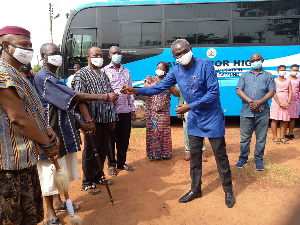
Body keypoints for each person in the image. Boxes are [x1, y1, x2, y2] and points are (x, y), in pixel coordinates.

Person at [121, 39, 235, 208]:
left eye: (184, 51)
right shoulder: (176, 71)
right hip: (195, 118)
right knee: (194, 156)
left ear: (190, 50)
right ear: (174, 57)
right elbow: (158, 88)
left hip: (212, 116)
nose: (182, 56)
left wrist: (189, 106)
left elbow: (213, 93)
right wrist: (136, 90)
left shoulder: (206, 65)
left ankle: (228, 190)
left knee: (220, 155)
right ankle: (196, 189)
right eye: (177, 54)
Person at [34, 43, 119, 222]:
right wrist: (102, 99)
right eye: (52, 53)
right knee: (50, 169)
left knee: (61, 168)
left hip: (63, 129)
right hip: (50, 129)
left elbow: (65, 104)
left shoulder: (54, 76)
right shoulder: (44, 77)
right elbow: (74, 97)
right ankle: (49, 212)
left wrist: (79, 121)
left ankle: (58, 202)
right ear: (43, 57)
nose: (57, 56)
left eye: (58, 52)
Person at [0, 26, 59, 225]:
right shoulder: (3, 74)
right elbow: (19, 119)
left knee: (29, 217)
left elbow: (33, 111)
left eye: (30, 45)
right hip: (9, 167)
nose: (28, 49)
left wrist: (48, 131)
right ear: (5, 45)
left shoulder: (19, 75)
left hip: (26, 161)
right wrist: (47, 144)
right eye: (23, 45)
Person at [71, 46, 118, 193]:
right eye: (95, 55)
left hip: (105, 119)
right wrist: (88, 120)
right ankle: (87, 181)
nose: (98, 57)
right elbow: (80, 98)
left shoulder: (103, 74)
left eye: (100, 55)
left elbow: (108, 95)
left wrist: (111, 118)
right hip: (92, 120)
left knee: (103, 150)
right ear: (88, 57)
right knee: (91, 151)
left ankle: (98, 176)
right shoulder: (81, 75)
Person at [235, 53, 275, 171]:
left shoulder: (268, 76)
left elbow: (272, 91)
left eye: (257, 60)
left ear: (262, 61)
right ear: (250, 62)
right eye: (253, 60)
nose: (255, 61)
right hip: (246, 112)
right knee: (245, 138)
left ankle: (258, 160)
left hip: (262, 112)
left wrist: (259, 102)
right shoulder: (244, 76)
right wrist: (251, 101)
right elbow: (238, 90)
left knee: (261, 138)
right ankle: (243, 159)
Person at [103, 46, 135, 176]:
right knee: (111, 140)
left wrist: (132, 109)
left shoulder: (126, 71)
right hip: (111, 112)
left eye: (119, 53)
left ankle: (121, 162)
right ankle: (111, 165)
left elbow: (130, 91)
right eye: (114, 53)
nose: (117, 55)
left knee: (124, 139)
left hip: (125, 110)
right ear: (109, 56)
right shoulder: (104, 71)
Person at [144, 61, 180, 161]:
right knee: (152, 131)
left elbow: (177, 94)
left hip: (164, 111)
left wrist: (169, 84)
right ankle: (153, 154)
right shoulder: (150, 79)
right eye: (158, 67)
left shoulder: (169, 81)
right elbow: (145, 89)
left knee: (163, 132)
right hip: (151, 111)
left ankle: (164, 154)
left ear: (166, 71)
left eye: (162, 69)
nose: (159, 70)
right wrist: (155, 85)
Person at [177, 92, 207, 162]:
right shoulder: (184, 82)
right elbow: (181, 96)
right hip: (186, 110)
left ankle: (201, 152)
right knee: (186, 130)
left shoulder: (200, 82)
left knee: (200, 130)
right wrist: (179, 111)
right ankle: (188, 151)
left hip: (199, 109)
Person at [270, 65, 292, 144]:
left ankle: (282, 137)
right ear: (278, 71)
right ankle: (275, 137)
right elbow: (273, 92)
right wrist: (279, 103)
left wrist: (288, 102)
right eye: (281, 70)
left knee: (284, 120)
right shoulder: (274, 80)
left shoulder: (288, 81)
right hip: (276, 102)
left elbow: (290, 92)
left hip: (285, 102)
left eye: (284, 70)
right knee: (275, 120)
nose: (283, 71)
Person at [285, 64, 300, 140]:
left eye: (296, 70)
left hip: (295, 101)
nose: (295, 71)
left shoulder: (298, 79)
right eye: (293, 70)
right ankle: (284, 133)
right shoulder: (286, 78)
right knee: (285, 117)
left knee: (293, 118)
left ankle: (290, 133)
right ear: (290, 70)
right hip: (286, 101)